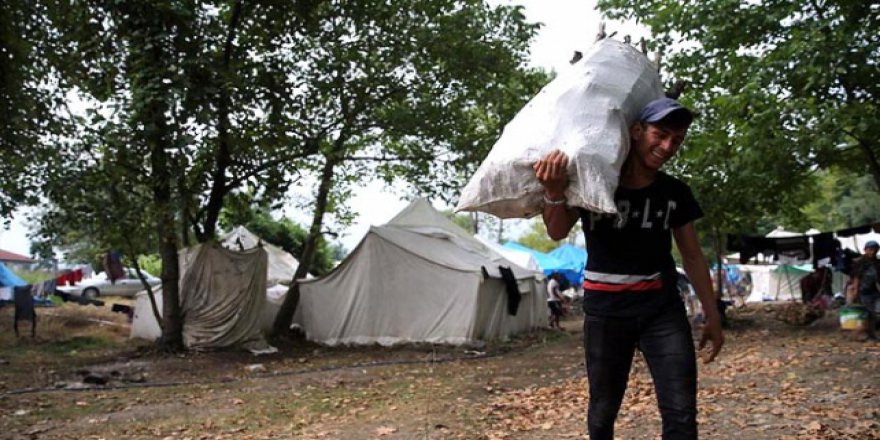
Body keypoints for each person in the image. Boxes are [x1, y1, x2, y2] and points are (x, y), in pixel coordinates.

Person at [533, 97, 724, 439]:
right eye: (660, 134)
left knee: (681, 413)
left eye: (676, 140)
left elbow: (692, 256)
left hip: (661, 311)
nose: (667, 146)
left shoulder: (674, 192)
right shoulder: (595, 180)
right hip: (605, 314)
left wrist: (712, 315)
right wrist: (553, 191)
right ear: (637, 131)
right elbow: (557, 230)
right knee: (603, 413)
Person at [851, 240, 880, 341]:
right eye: (870, 250)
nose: (872, 252)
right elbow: (856, 277)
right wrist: (855, 291)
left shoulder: (877, 263)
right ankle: (864, 334)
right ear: (865, 250)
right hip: (864, 291)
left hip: (875, 291)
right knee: (868, 312)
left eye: (875, 250)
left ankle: (871, 334)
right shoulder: (860, 262)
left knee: (875, 313)